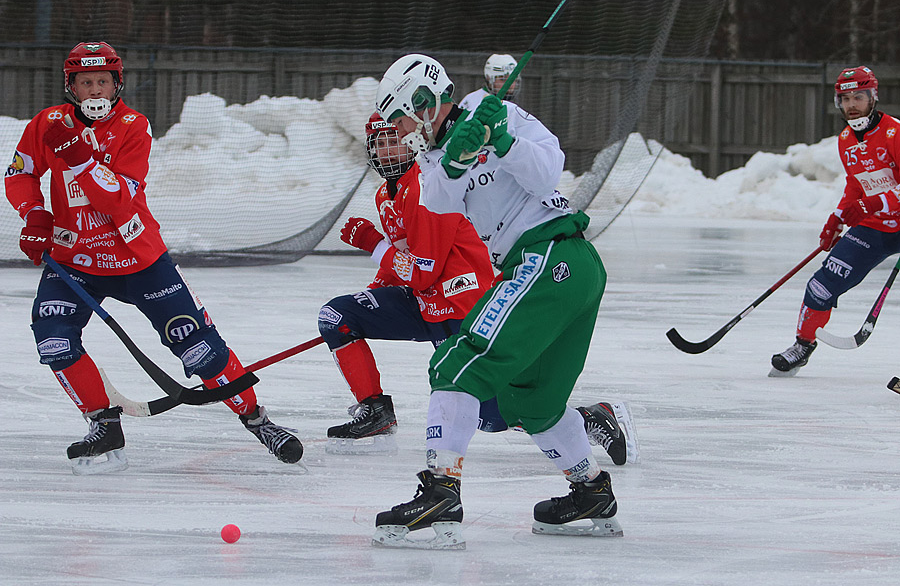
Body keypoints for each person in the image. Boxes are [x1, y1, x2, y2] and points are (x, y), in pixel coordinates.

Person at [4, 42, 303, 474]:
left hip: (138, 261)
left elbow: (118, 202)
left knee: (197, 349)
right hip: (74, 260)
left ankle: (257, 419)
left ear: (116, 83)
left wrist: (79, 158)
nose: (94, 90)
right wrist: (34, 213)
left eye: (101, 81)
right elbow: (21, 172)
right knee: (54, 339)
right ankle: (103, 424)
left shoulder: (133, 125)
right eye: (84, 82)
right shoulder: (48, 122)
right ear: (70, 85)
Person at [370, 53, 625, 549]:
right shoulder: (430, 160)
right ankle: (592, 491)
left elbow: (550, 171)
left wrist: (501, 141)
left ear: (423, 103)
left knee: (455, 364)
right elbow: (442, 203)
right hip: (557, 269)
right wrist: (457, 159)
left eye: (402, 115)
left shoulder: (495, 110)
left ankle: (441, 492)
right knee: (533, 399)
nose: (400, 129)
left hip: (552, 253)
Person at [321, 115, 632, 462]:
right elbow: (404, 261)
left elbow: (424, 270)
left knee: (492, 417)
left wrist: (373, 244)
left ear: (411, 143)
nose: (386, 151)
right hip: (424, 303)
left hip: (462, 304)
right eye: (378, 144)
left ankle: (589, 417)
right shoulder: (386, 195)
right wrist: (376, 293)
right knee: (337, 316)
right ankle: (375, 411)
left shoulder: (428, 184)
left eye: (393, 141)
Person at [771, 66, 900, 377]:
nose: (852, 104)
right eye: (845, 98)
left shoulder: (895, 133)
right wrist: (838, 217)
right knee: (822, 284)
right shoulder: (845, 140)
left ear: (874, 97)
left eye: (859, 96)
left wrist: (875, 202)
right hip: (876, 227)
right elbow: (857, 185)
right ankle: (803, 345)